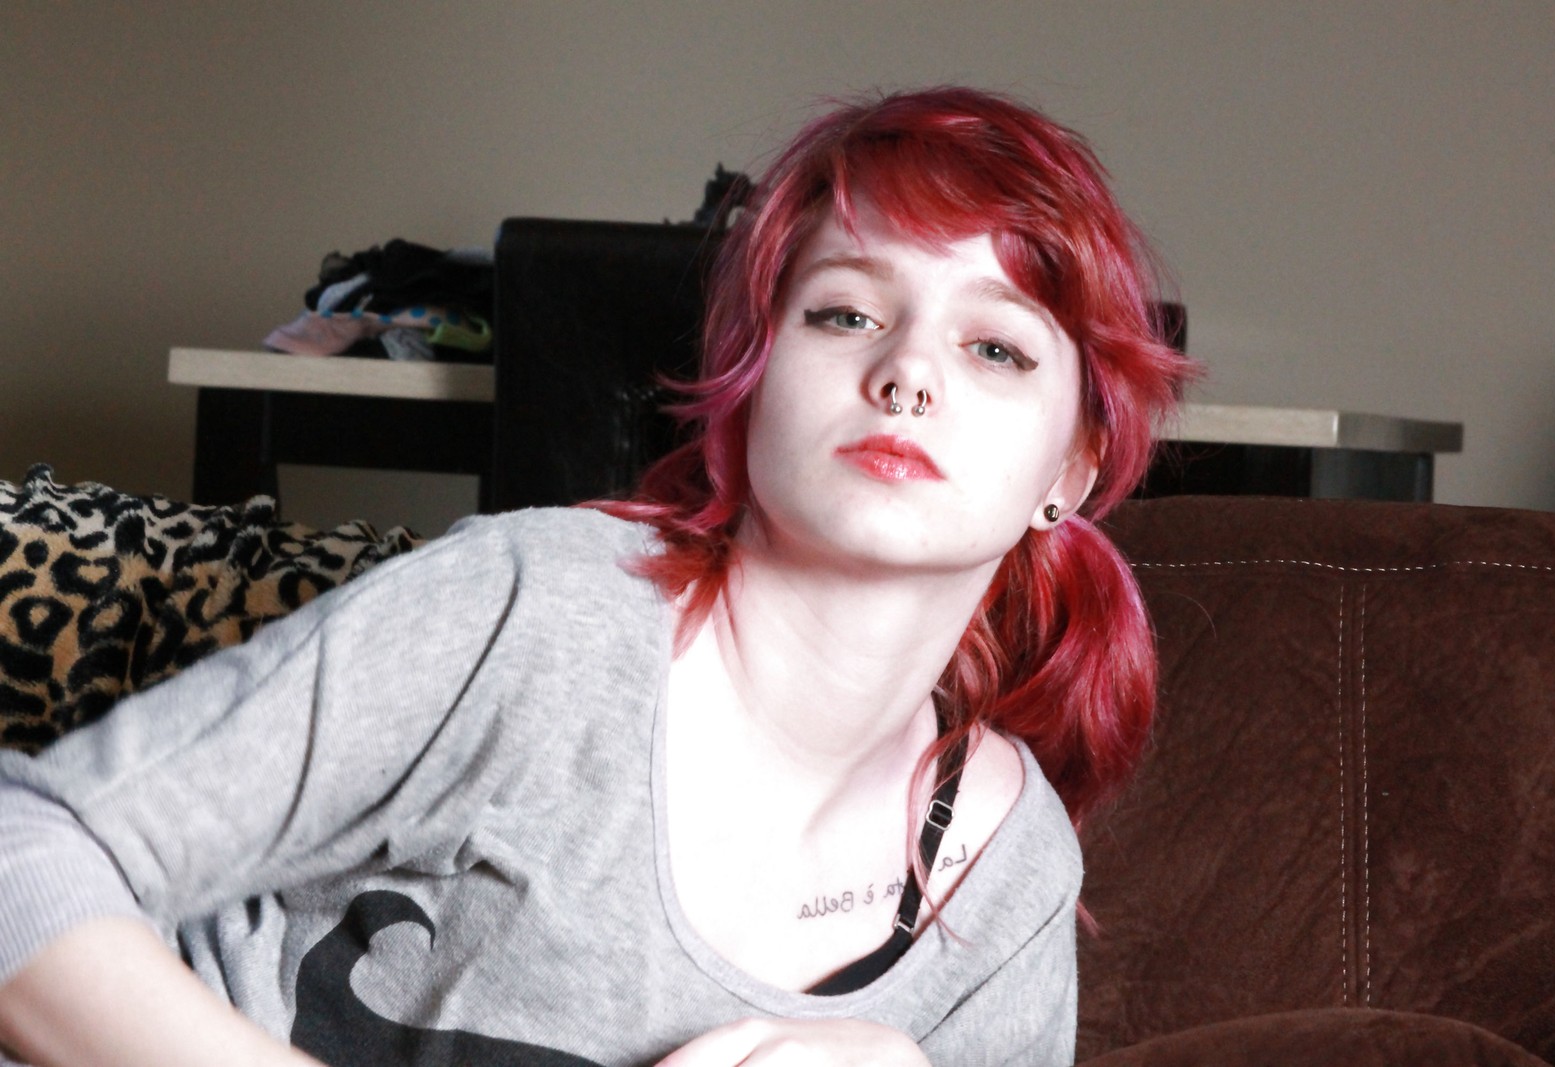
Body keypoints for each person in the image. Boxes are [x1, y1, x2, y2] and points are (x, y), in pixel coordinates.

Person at [0, 86, 1191, 1066]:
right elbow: (22, 847)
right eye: (842, 314)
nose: (908, 372)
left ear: (1071, 468)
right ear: (748, 388)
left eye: (994, 346)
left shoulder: (1008, 873)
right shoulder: (542, 617)